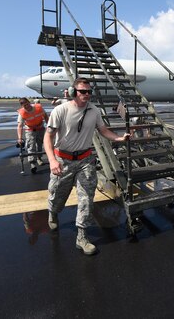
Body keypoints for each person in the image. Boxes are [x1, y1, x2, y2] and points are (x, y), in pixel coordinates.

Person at [44, 77, 130, 256]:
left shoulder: (94, 110)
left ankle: (81, 237)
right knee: (57, 194)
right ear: (74, 92)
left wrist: (119, 138)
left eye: (89, 91)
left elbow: (103, 130)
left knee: (86, 199)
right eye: (83, 91)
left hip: (85, 160)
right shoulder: (60, 111)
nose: (87, 94)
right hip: (63, 160)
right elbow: (48, 137)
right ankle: (52, 212)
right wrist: (52, 160)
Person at [17, 97, 49, 174]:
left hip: (40, 127)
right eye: (25, 106)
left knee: (40, 144)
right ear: (22, 106)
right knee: (31, 145)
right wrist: (20, 138)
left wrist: (49, 126)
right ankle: (32, 163)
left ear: (29, 102)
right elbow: (20, 126)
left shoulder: (38, 107)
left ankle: (39, 158)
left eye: (27, 104)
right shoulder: (22, 113)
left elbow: (45, 116)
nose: (27, 106)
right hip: (30, 129)